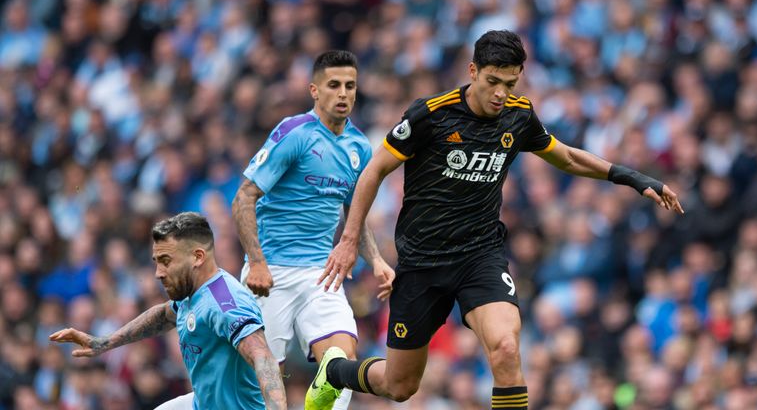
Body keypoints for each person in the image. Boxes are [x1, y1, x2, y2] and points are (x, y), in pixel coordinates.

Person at [306, 30, 685, 410]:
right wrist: (350, 240)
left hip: (479, 257)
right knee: (399, 385)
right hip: (423, 262)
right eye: (492, 82)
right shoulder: (432, 115)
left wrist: (634, 178)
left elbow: (566, 157)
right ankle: (336, 371)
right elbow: (373, 172)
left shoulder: (519, 115)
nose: (501, 94)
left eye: (510, 83)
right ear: (473, 71)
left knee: (506, 347)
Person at [232, 50, 395, 409]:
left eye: (350, 86)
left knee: (341, 362)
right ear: (314, 91)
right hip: (271, 273)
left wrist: (379, 260)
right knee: (260, 391)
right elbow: (244, 197)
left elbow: (355, 219)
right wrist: (256, 263)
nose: (343, 93)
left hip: (321, 273)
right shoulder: (294, 133)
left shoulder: (358, 147)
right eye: (333, 85)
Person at [50, 212, 287, 410]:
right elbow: (164, 314)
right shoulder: (191, 292)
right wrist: (103, 342)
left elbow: (263, 358)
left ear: (197, 257)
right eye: (156, 261)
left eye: (166, 260)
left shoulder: (225, 303)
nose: (158, 272)